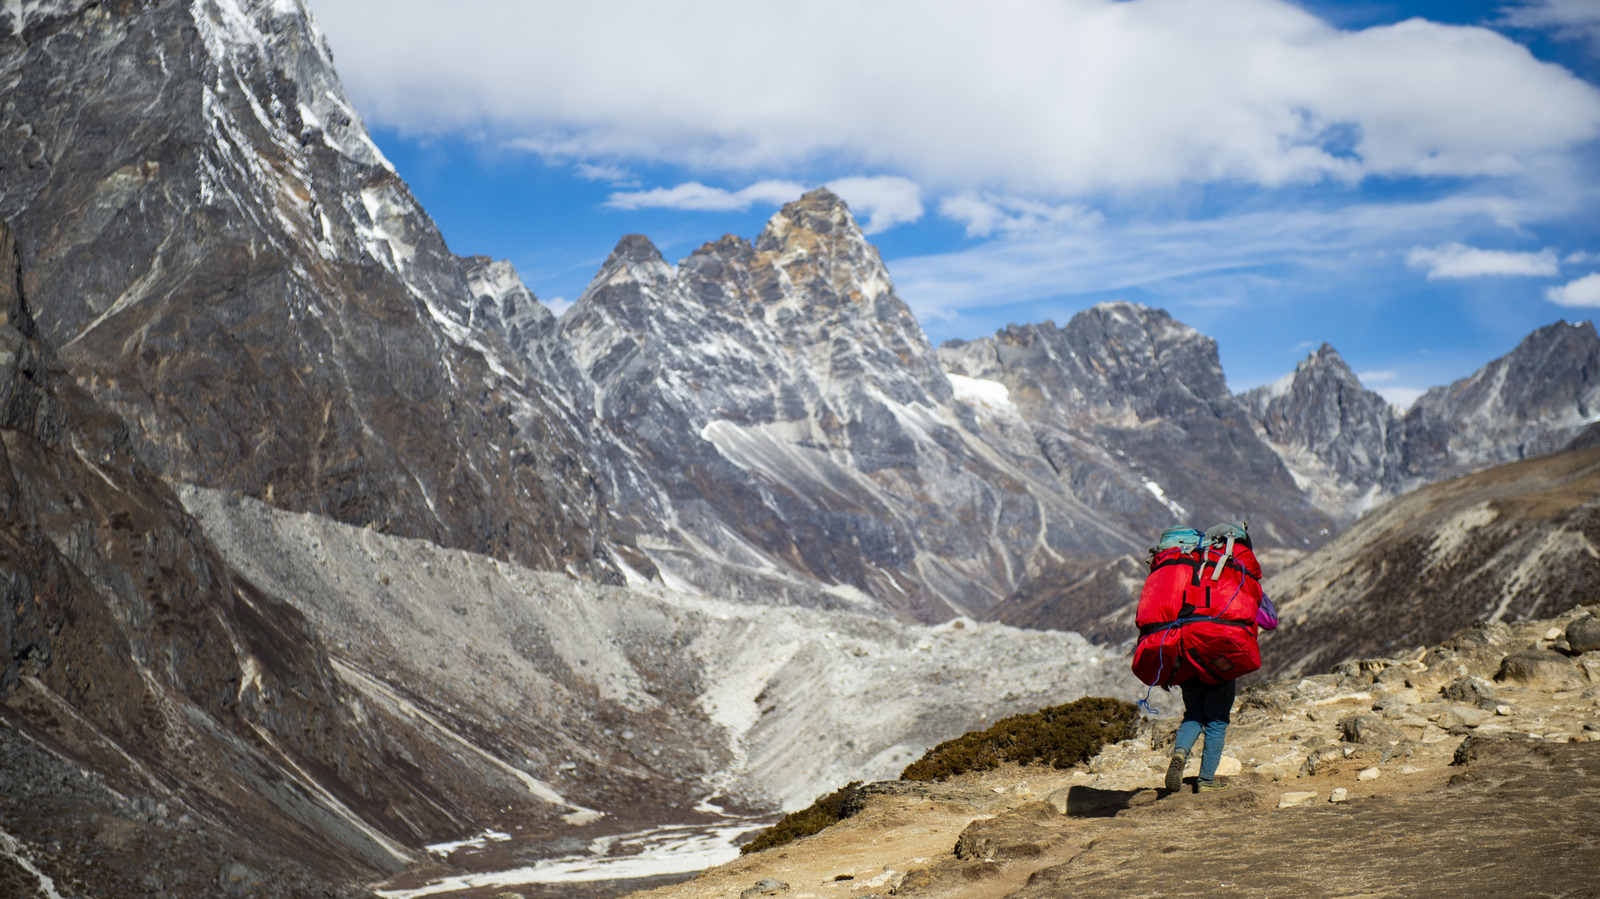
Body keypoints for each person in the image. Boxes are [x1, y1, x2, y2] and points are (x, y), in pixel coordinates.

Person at [1165, 590, 1278, 793]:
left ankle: (1180, 753)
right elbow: (1270, 621)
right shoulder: (1236, 582)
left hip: (1187, 659)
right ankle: (1206, 780)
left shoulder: (1186, 579)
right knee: (1216, 721)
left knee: (1193, 714)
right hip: (1219, 661)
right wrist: (1258, 591)